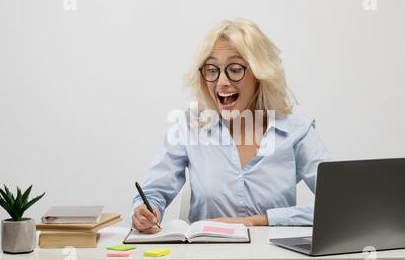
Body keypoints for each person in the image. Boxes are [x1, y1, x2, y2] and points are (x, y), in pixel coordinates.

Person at [131, 19, 331, 233]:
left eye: (235, 69)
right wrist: (145, 211)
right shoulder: (188, 128)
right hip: (207, 259)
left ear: (259, 74)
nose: (221, 82)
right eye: (211, 69)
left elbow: (340, 204)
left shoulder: (296, 132)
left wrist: (257, 220)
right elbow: (153, 193)